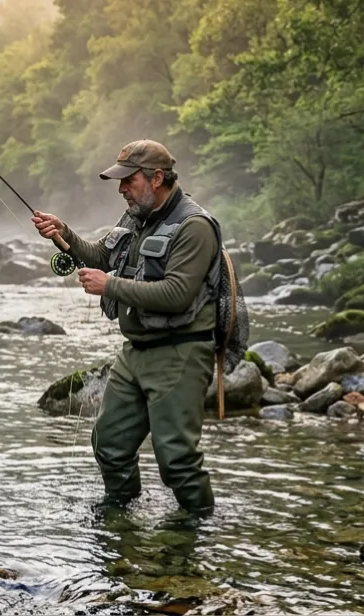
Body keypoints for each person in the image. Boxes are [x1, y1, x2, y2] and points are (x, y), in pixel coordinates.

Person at [32, 139, 223, 514]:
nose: (121, 189)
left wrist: (110, 286)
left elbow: (177, 294)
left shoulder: (195, 226)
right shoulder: (136, 216)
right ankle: (121, 514)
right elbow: (101, 255)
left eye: (128, 181)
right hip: (136, 352)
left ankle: (197, 533)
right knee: (109, 443)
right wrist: (64, 235)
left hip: (181, 353)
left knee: (177, 461)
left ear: (156, 178)